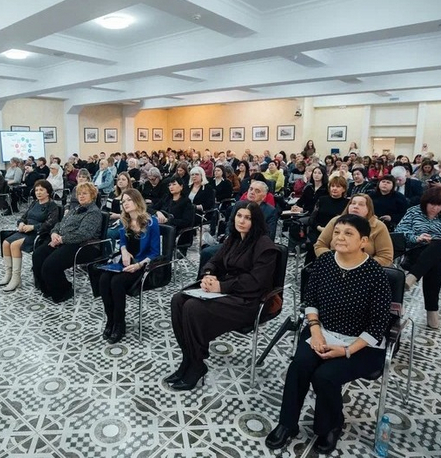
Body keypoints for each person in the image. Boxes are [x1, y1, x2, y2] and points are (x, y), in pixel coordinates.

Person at [266, 215, 392, 454]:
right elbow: (310, 299)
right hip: (322, 331)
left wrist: (346, 350)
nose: (340, 238)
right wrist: (315, 332)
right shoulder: (325, 262)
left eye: (348, 233)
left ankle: (331, 425)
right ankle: (287, 423)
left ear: (363, 241)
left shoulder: (375, 274)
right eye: (337, 232)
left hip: (361, 344)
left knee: (325, 376)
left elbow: (378, 324)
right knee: (300, 365)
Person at [166, 202, 278, 391]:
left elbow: (256, 282)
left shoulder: (264, 245)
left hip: (249, 300)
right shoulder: (234, 238)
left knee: (192, 308)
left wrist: (221, 286)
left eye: (248, 218)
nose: (241, 221)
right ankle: (188, 359)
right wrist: (209, 274)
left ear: (256, 221)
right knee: (178, 300)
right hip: (229, 291)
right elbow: (215, 261)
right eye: (239, 216)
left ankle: (196, 364)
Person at [394, 187, 441, 328]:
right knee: (435, 265)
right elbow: (400, 232)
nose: (435, 208)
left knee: (439, 245)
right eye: (432, 204)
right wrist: (417, 238)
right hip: (419, 251)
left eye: (439, 205)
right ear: (425, 202)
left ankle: (412, 277)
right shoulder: (413, 212)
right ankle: (432, 312)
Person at [92, 189, 160, 344]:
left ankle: (119, 323)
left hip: (142, 265)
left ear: (137, 201)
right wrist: (123, 250)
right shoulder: (125, 221)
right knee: (103, 279)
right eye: (123, 201)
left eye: (129, 200)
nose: (125, 204)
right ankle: (111, 320)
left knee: (116, 282)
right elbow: (123, 242)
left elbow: (155, 252)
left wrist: (138, 265)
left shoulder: (151, 222)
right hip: (125, 262)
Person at [32, 182, 104, 303]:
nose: (81, 196)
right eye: (79, 194)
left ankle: (64, 291)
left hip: (85, 246)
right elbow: (60, 224)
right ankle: (47, 288)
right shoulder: (75, 208)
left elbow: (84, 234)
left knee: (50, 265)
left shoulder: (93, 212)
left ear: (92, 195)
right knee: (38, 255)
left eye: (85, 193)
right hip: (65, 241)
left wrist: (61, 239)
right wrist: (54, 233)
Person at [0, 180, 61, 292]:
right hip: (25, 231)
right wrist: (21, 223)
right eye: (36, 190)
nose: (38, 192)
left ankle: (16, 278)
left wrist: (33, 227)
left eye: (41, 190)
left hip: (38, 234)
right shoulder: (34, 203)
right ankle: (8, 273)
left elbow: (50, 224)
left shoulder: (52, 206)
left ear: (48, 192)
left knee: (14, 245)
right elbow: (23, 216)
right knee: (5, 243)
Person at [314, 194, 394, 266]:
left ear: (369, 209)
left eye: (361, 204)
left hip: (365, 271)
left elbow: (385, 257)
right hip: (333, 265)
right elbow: (320, 245)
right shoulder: (335, 221)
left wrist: (359, 265)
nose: (355, 206)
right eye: (353, 203)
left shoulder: (379, 226)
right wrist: (333, 260)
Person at [308, 176, 349, 245]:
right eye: (332, 186)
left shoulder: (347, 203)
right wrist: (319, 228)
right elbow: (312, 219)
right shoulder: (322, 200)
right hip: (319, 231)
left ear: (344, 189)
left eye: (338, 186)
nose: (334, 188)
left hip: (337, 234)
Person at [104, 172, 134, 239]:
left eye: (123, 179)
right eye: (119, 179)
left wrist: (117, 216)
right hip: (109, 220)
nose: (120, 181)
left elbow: (132, 214)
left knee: (107, 233)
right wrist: (107, 214)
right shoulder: (112, 194)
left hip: (123, 222)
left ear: (128, 182)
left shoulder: (131, 195)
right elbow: (105, 208)